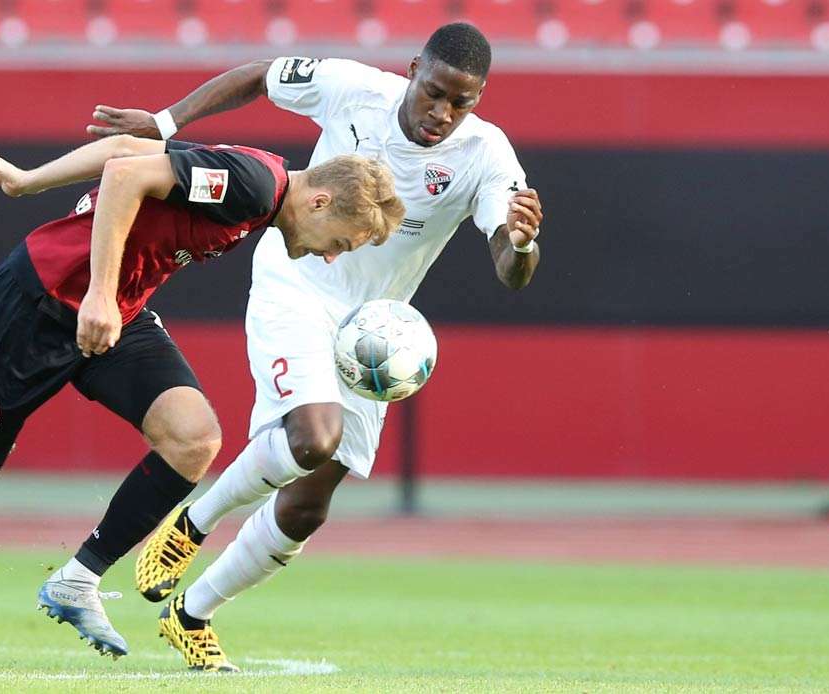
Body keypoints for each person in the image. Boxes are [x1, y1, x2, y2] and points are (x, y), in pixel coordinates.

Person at [0, 134, 404, 659]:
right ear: (319, 201)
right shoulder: (252, 183)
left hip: (112, 313)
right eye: (340, 243)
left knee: (193, 439)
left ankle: (76, 580)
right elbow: (124, 174)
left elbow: (128, 150)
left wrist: (29, 181)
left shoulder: (259, 182)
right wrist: (96, 291)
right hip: (39, 305)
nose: (330, 256)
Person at [91, 23, 545, 671]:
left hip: (373, 330)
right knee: (310, 438)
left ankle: (192, 613)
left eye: (461, 102)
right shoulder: (352, 89)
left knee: (306, 505)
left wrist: (523, 243)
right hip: (298, 278)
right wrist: (166, 123)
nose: (443, 113)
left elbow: (509, 266)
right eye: (435, 93)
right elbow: (256, 74)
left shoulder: (485, 155)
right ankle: (192, 525)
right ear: (414, 70)